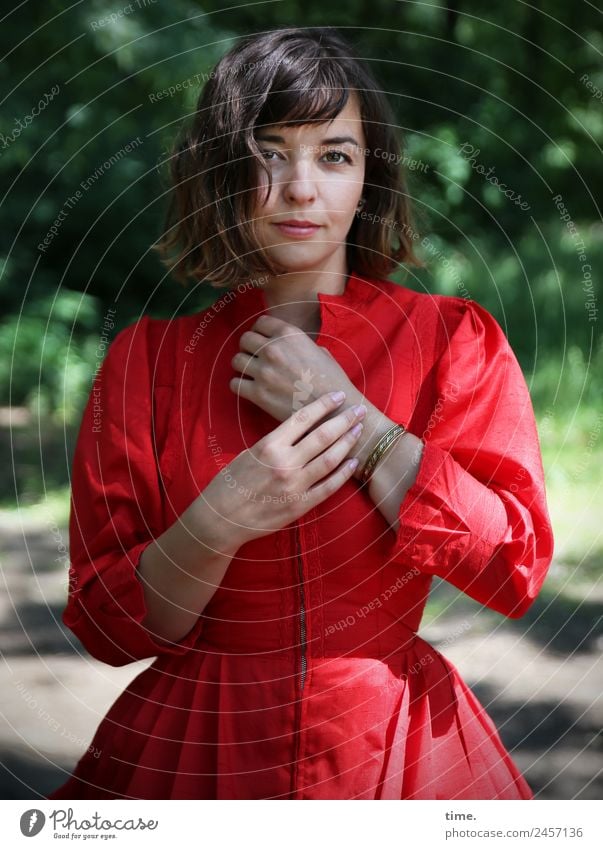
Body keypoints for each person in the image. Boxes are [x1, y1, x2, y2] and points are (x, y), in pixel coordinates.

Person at [48, 26, 554, 800]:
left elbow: (509, 570)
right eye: (269, 152)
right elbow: (107, 628)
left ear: (368, 178)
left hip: (398, 753)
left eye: (334, 155)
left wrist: (354, 419)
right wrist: (217, 522)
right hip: (194, 757)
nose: (299, 188)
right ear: (221, 172)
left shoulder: (451, 341)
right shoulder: (145, 364)